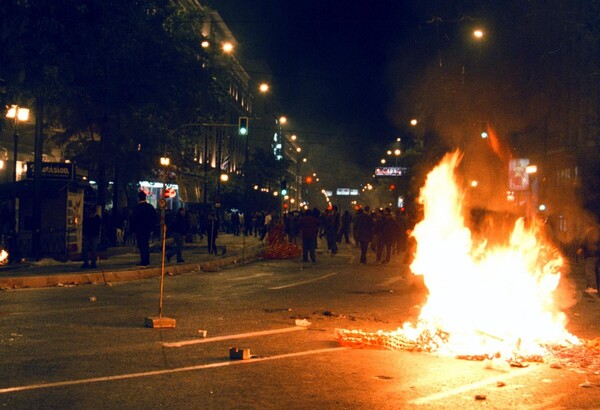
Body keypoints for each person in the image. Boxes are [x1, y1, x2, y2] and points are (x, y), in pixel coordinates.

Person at [130, 191, 157, 267]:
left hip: (139, 230)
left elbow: (133, 219)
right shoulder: (150, 207)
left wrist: (133, 230)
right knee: (146, 244)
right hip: (147, 229)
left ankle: (143, 260)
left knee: (141, 245)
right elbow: (154, 218)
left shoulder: (137, 208)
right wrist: (152, 228)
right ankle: (146, 260)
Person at [578, 223, 600, 294]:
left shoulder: (591, 232)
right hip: (596, 254)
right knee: (594, 270)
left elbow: (586, 241)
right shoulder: (596, 231)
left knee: (589, 270)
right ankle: (595, 286)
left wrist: (581, 248)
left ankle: (592, 287)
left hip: (591, 254)